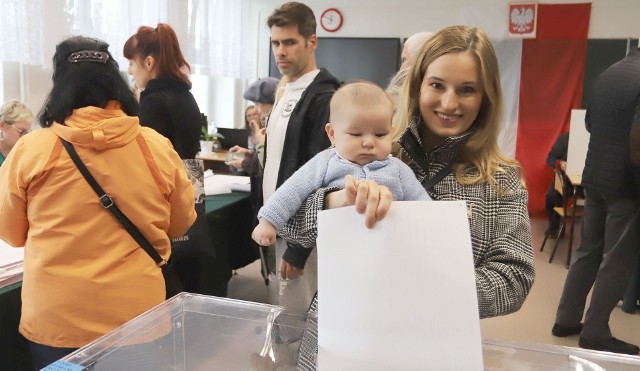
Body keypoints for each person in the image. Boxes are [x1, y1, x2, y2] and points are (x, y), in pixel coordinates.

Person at [278, 25, 535, 370]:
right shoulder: (370, 147)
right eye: (437, 85)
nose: (449, 103)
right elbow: (291, 228)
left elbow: (515, 278)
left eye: (467, 90)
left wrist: (425, 286)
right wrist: (334, 203)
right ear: (418, 84)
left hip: (431, 350)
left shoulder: (500, 181)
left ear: (486, 96)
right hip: (343, 342)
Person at [0, 36, 196, 369]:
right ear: (116, 85)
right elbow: (181, 223)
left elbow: (11, 233)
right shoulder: (155, 147)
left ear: (60, 86)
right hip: (137, 318)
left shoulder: (31, 150)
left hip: (56, 320)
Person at [253, 81, 431, 247]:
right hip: (338, 248)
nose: (369, 142)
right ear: (332, 134)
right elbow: (292, 190)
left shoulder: (397, 169)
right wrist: (268, 221)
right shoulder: (325, 162)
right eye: (356, 134)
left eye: (380, 134)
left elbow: (424, 205)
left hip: (388, 247)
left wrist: (435, 227)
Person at [552, 45, 640, 355]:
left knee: (588, 251)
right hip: (625, 184)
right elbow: (637, 138)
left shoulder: (610, 72)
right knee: (617, 260)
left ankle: (566, 319)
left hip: (594, 177)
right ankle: (596, 331)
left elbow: (590, 124)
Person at [262, 2, 341, 312]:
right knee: (282, 311)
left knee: (301, 319)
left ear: (312, 42)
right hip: (277, 223)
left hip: (302, 233)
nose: (281, 51)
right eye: (276, 43)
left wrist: (298, 248)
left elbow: (321, 175)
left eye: (290, 42)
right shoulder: (286, 91)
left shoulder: (326, 96)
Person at [123, 23, 201, 159]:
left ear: (149, 62)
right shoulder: (186, 96)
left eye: (131, 63)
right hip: (186, 179)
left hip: (165, 179)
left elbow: (144, 157)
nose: (130, 72)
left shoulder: (155, 102)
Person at [544, 132, 569, 236]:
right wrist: (560, 164)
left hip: (587, 180)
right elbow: (550, 159)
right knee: (551, 197)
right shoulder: (564, 138)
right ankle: (554, 228)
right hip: (565, 178)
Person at [0, 100, 33, 166]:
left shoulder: (26, 156)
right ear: (2, 125)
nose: (24, 137)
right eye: (22, 131)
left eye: (27, 133)